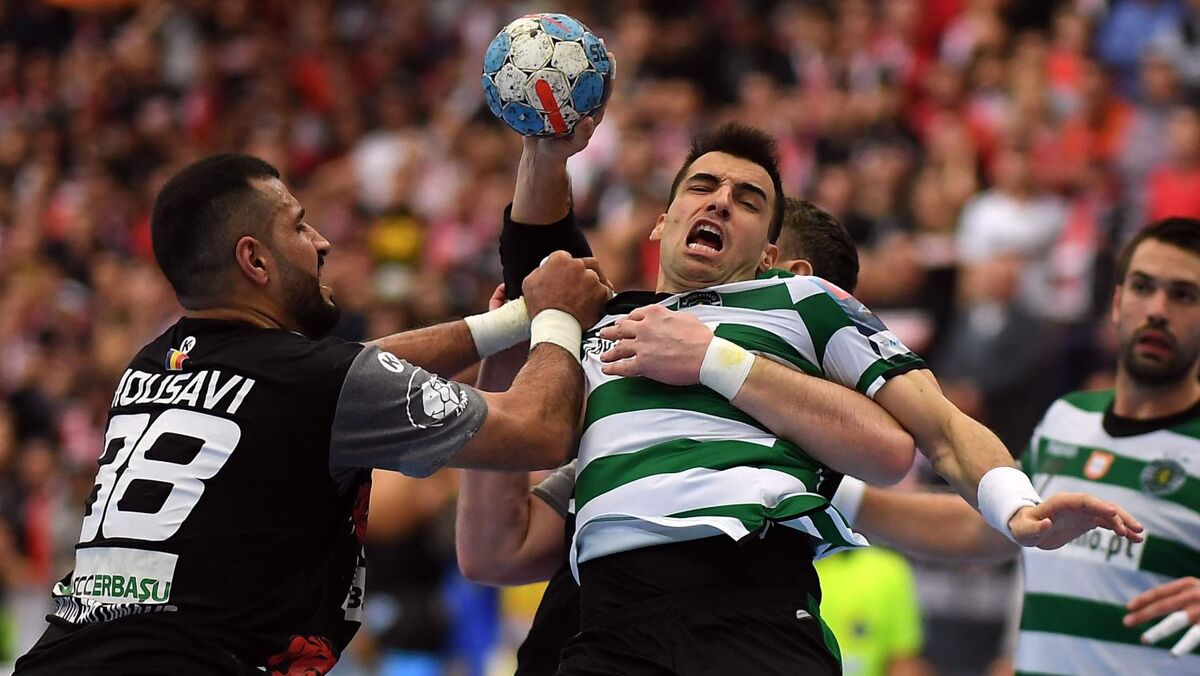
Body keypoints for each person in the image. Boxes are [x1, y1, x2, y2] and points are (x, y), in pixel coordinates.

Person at [461, 113, 1142, 674]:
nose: (720, 201)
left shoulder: (803, 302)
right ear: (661, 222)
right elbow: (497, 548)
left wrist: (1017, 506)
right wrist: (545, 155)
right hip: (608, 631)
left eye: (748, 199)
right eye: (703, 186)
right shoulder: (598, 331)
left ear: (769, 256)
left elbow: (933, 427)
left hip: (753, 613)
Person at [13, 153, 611, 675]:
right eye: (298, 226)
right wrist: (557, 316)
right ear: (254, 260)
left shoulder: (153, 365)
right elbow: (538, 431)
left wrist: (506, 324)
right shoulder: (311, 384)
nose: (322, 242)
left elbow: (350, 371)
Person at [458, 197, 870, 676]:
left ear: (785, 273)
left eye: (747, 245)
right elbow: (497, 552)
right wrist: (509, 346)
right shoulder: (630, 423)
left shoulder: (799, 445)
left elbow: (905, 458)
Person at [827, 217, 1200, 673]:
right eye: (1143, 287)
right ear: (1118, 303)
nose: (1158, 309)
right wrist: (835, 493)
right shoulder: (1068, 418)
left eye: (1183, 294)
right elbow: (986, 528)